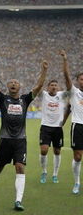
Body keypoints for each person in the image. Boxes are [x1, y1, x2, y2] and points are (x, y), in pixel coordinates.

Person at [0, 58, 48, 211]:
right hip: (5, 140)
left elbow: (38, 87)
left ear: (19, 87)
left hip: (20, 140)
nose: (13, 84)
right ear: (8, 86)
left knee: (20, 167)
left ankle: (18, 201)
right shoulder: (3, 99)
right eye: (11, 82)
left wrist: (44, 70)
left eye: (16, 83)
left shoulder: (25, 99)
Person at [61, 50, 83, 194]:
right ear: (78, 81)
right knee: (77, 156)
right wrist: (65, 60)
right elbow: (66, 76)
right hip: (78, 126)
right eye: (81, 79)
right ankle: (77, 182)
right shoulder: (74, 92)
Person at [38, 79, 68, 184]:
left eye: (55, 85)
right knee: (44, 150)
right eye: (51, 85)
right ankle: (44, 171)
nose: (54, 87)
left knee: (57, 151)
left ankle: (55, 174)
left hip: (57, 128)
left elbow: (73, 91)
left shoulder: (62, 94)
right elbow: (38, 87)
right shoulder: (44, 95)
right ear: (48, 87)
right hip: (45, 127)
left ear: (58, 87)